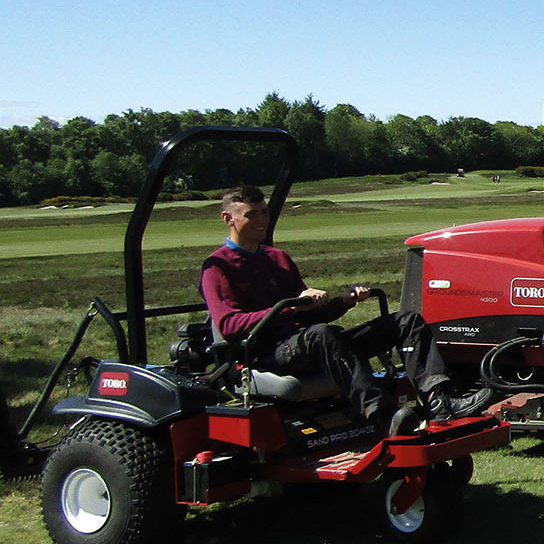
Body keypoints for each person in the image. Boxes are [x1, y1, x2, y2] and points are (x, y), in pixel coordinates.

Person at [200, 186, 490, 436]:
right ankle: (384, 415)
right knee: (323, 335)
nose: (261, 220)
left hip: (309, 343)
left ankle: (440, 404)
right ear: (229, 218)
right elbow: (229, 325)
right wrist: (291, 307)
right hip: (268, 352)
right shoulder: (218, 268)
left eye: (264, 212)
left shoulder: (278, 259)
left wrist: (344, 302)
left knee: (406, 322)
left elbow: (311, 315)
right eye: (252, 214)